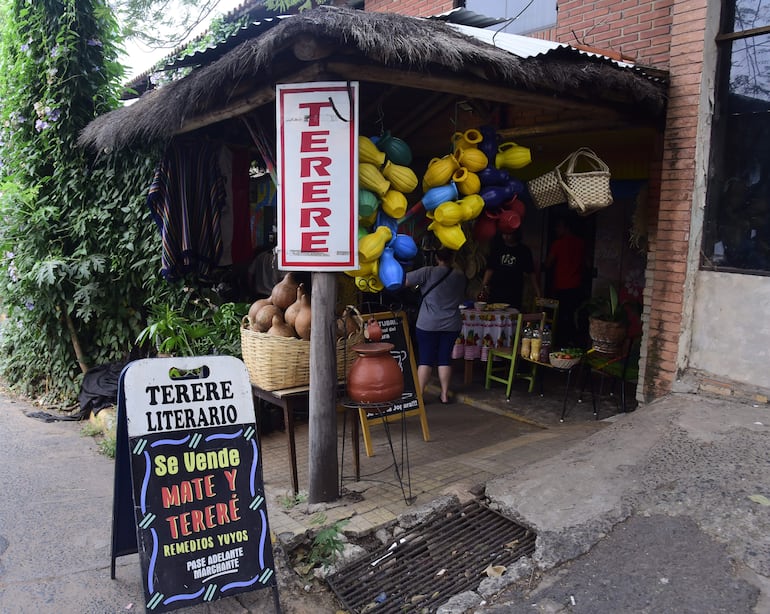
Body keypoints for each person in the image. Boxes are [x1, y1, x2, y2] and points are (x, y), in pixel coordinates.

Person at [405, 247, 466, 404]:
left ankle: (419, 397)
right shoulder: (459, 275)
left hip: (428, 324)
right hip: (451, 323)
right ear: (452, 258)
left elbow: (403, 281)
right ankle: (444, 395)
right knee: (444, 359)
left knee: (425, 359)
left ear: (436, 257)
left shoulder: (427, 272)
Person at [546, 216, 587, 346]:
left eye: (558, 227)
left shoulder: (558, 244)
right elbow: (588, 264)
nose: (556, 230)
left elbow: (548, 264)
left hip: (562, 287)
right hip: (576, 286)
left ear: (565, 228)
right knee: (572, 315)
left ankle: (561, 342)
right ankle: (572, 341)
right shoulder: (581, 243)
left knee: (561, 317)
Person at [481, 229, 541, 310]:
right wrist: (483, 287)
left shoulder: (524, 250)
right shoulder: (497, 248)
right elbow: (490, 269)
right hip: (496, 292)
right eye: (504, 234)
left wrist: (537, 291)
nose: (506, 237)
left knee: (513, 318)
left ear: (516, 234)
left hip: (514, 293)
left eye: (509, 234)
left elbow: (531, 272)